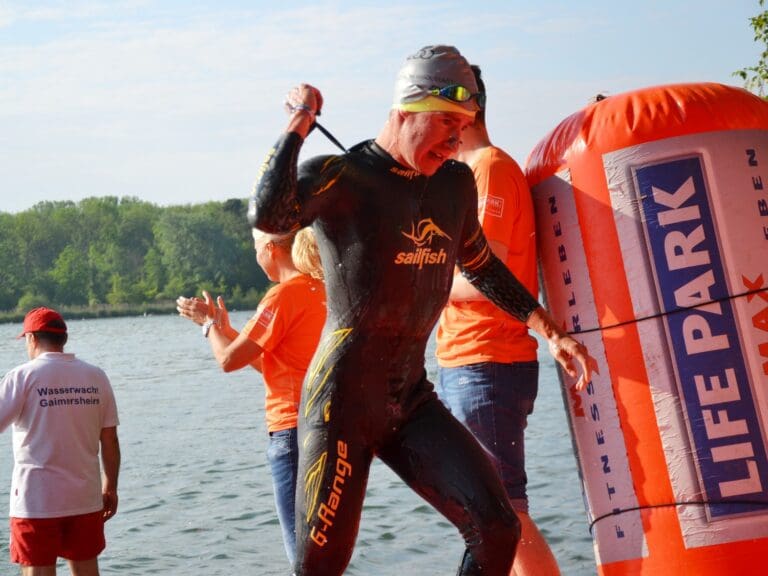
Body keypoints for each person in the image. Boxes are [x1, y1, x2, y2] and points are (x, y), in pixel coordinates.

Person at [248, 44, 594, 576]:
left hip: (409, 399)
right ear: (404, 111)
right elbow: (269, 214)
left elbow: (484, 267)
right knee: (319, 567)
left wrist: (551, 331)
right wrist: (302, 119)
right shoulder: (344, 177)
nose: (457, 140)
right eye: (446, 124)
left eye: (464, 126)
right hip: (340, 401)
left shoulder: (455, 184)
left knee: (498, 527)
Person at [435, 64, 560, 576]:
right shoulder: (470, 174)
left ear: (468, 112)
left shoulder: (488, 168)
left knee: (505, 513)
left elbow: (488, 275)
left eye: (442, 116)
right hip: (471, 363)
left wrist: (418, 272)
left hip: (488, 361)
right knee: (491, 515)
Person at [176, 226, 325, 567]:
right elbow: (273, 363)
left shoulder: (282, 295)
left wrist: (207, 325)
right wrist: (224, 328)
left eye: (256, 248)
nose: (255, 257)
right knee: (325, 546)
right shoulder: (322, 289)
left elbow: (228, 361)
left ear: (271, 249)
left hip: (292, 430)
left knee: (302, 553)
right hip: (327, 427)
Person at [0, 307, 121, 576]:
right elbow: (110, 439)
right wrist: (110, 488)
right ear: (63, 339)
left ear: (31, 339)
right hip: (85, 498)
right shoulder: (96, 377)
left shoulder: (22, 377)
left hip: (37, 501)